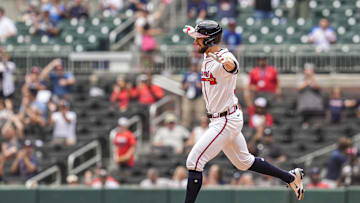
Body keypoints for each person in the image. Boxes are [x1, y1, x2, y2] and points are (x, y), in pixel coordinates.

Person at [182, 20, 304, 203]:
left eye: (198, 39)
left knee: (194, 162)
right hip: (223, 117)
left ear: (208, 41)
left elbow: (232, 66)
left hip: (225, 120)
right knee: (243, 162)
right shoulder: (208, 52)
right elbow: (208, 45)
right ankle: (291, 177)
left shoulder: (225, 57)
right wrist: (196, 34)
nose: (194, 42)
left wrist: (226, 61)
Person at [296, 63, 324, 128]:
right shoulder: (301, 79)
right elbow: (299, 88)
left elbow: (317, 87)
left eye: (310, 70)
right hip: (304, 107)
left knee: (317, 126)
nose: (308, 72)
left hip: (316, 107)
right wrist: (307, 81)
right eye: (307, 70)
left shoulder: (317, 79)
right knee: (305, 126)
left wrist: (312, 78)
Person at [182, 59, 205, 128]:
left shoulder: (201, 75)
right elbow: (183, 86)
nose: (194, 67)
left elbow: (205, 87)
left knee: (200, 114)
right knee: (186, 114)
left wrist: (199, 85)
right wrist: (188, 84)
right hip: (188, 98)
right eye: (192, 66)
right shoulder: (187, 75)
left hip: (198, 97)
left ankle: (201, 128)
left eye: (195, 66)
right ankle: (185, 129)